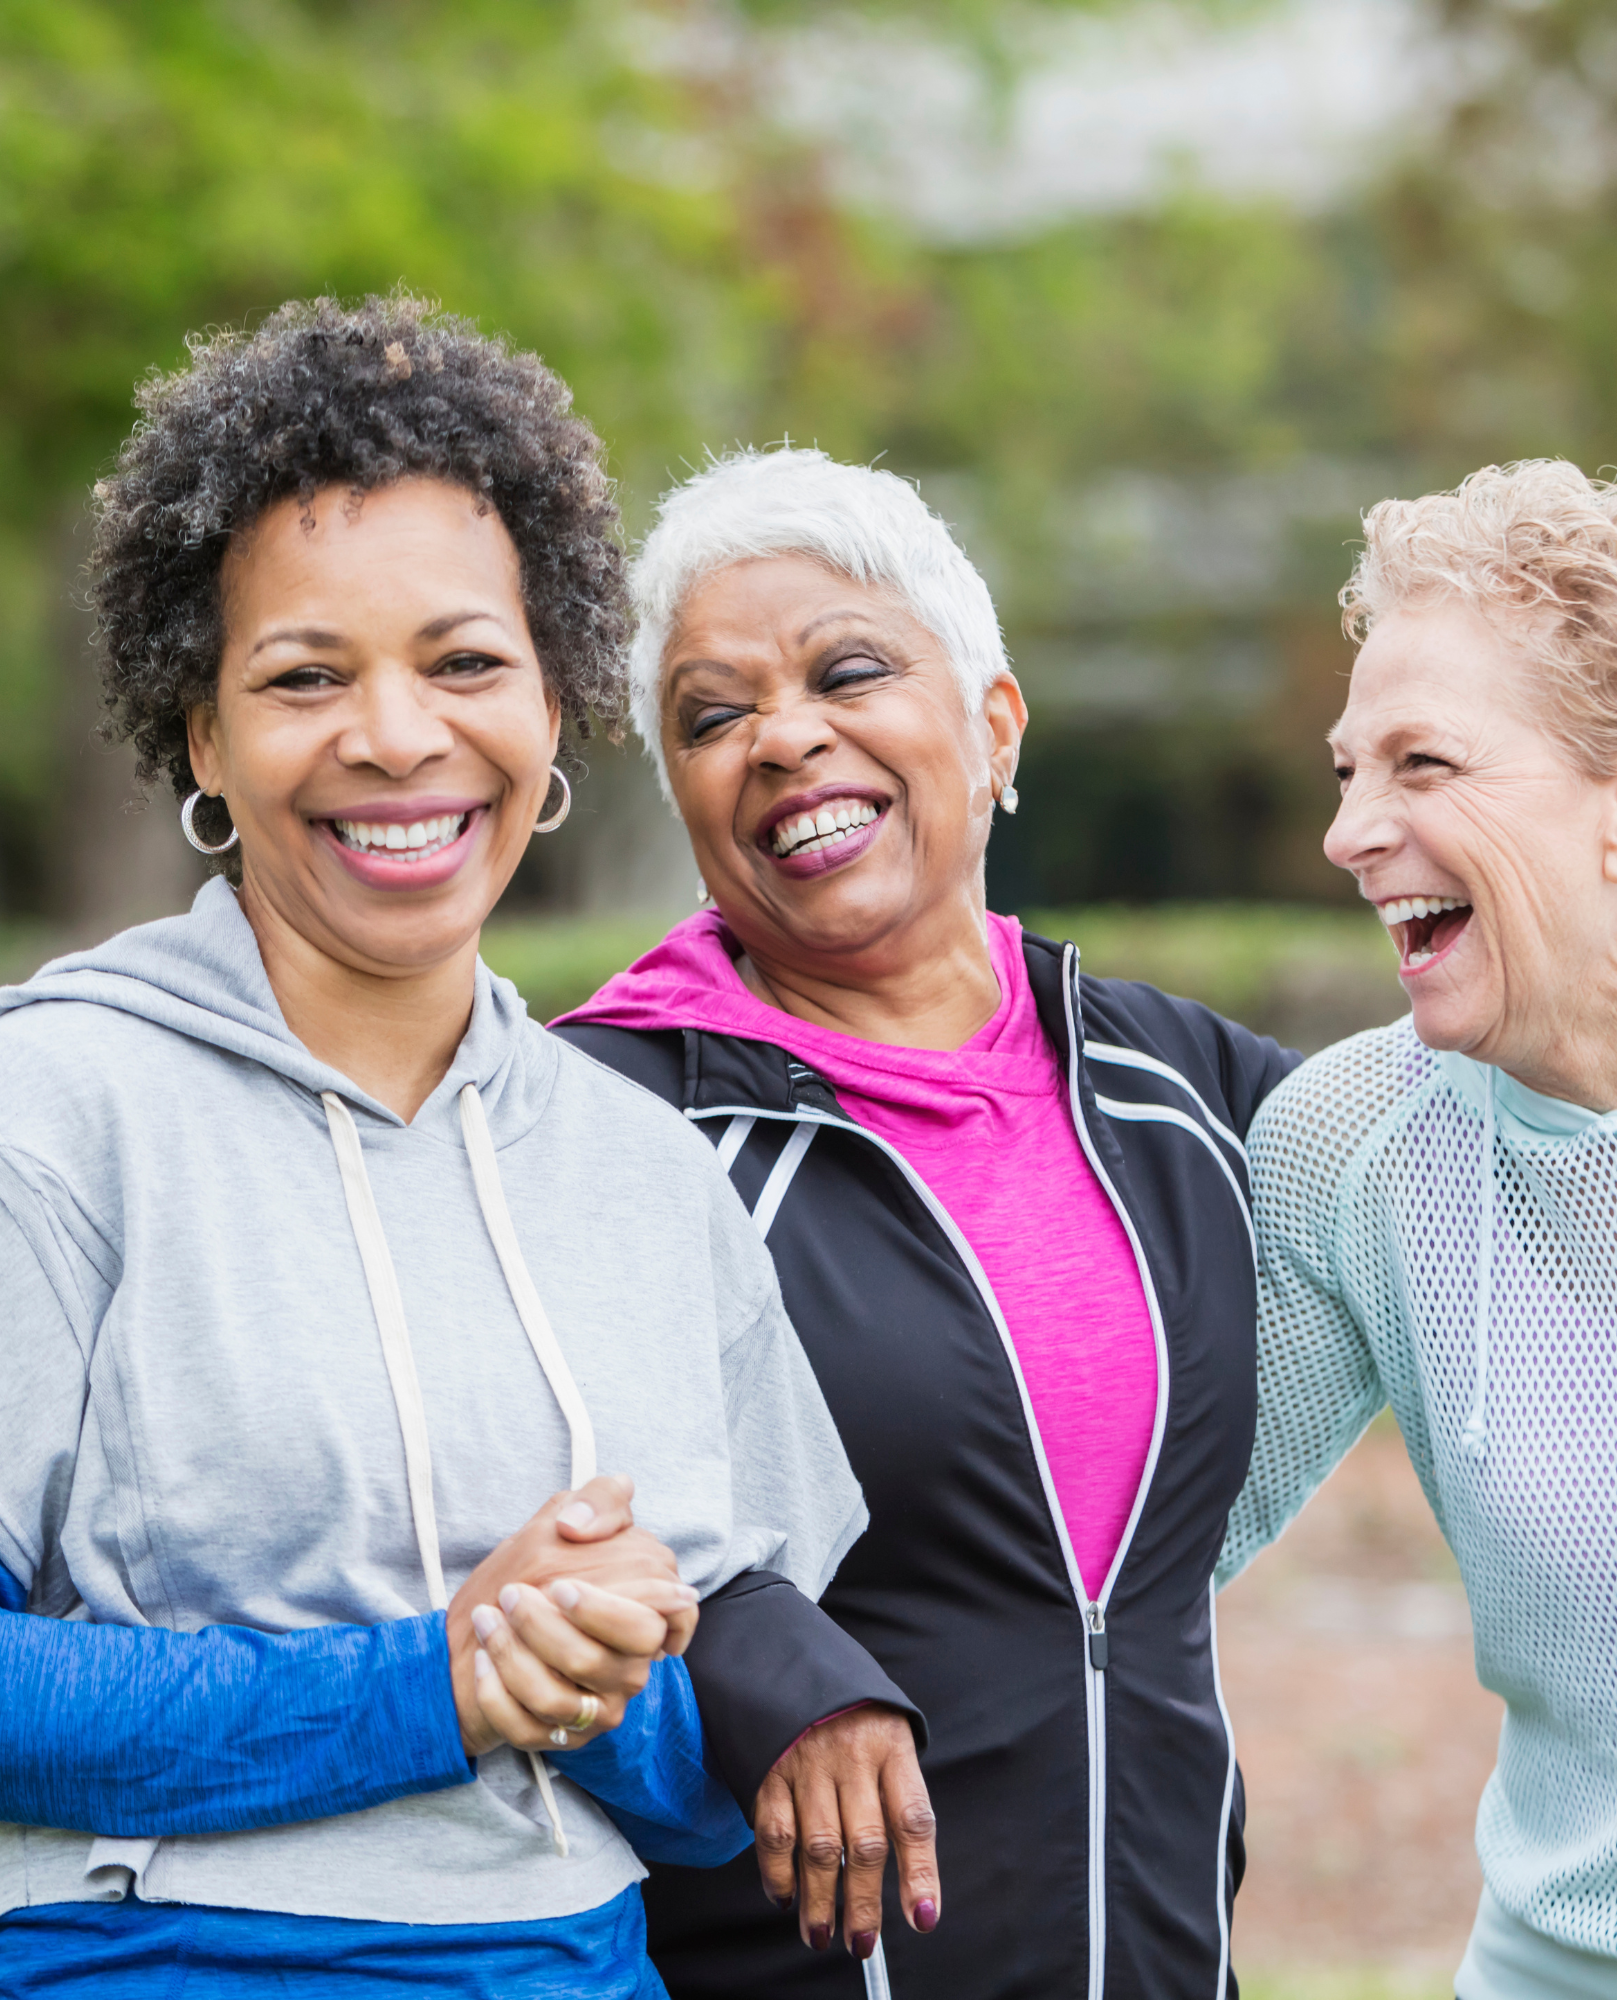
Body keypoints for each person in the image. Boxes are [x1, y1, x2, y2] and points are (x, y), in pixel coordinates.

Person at [0, 301, 870, 2000]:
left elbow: (696, 1776)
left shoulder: (643, 1175)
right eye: (303, 677)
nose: (398, 737)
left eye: (464, 662)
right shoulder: (57, 1113)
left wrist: (615, 1677)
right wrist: (443, 1684)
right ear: (200, 736)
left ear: (555, 704)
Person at [553, 447, 1299, 1998]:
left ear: (994, 721)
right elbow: (502, 1486)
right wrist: (757, 1648)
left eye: (849, 670)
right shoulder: (598, 1115)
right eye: (713, 715)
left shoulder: (1183, 1084)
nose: (785, 737)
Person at [1220, 461, 1617, 2000]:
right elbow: (1130, 1547)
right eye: (1348, 769)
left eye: (1422, 765)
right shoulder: (1351, 1143)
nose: (1349, 832)